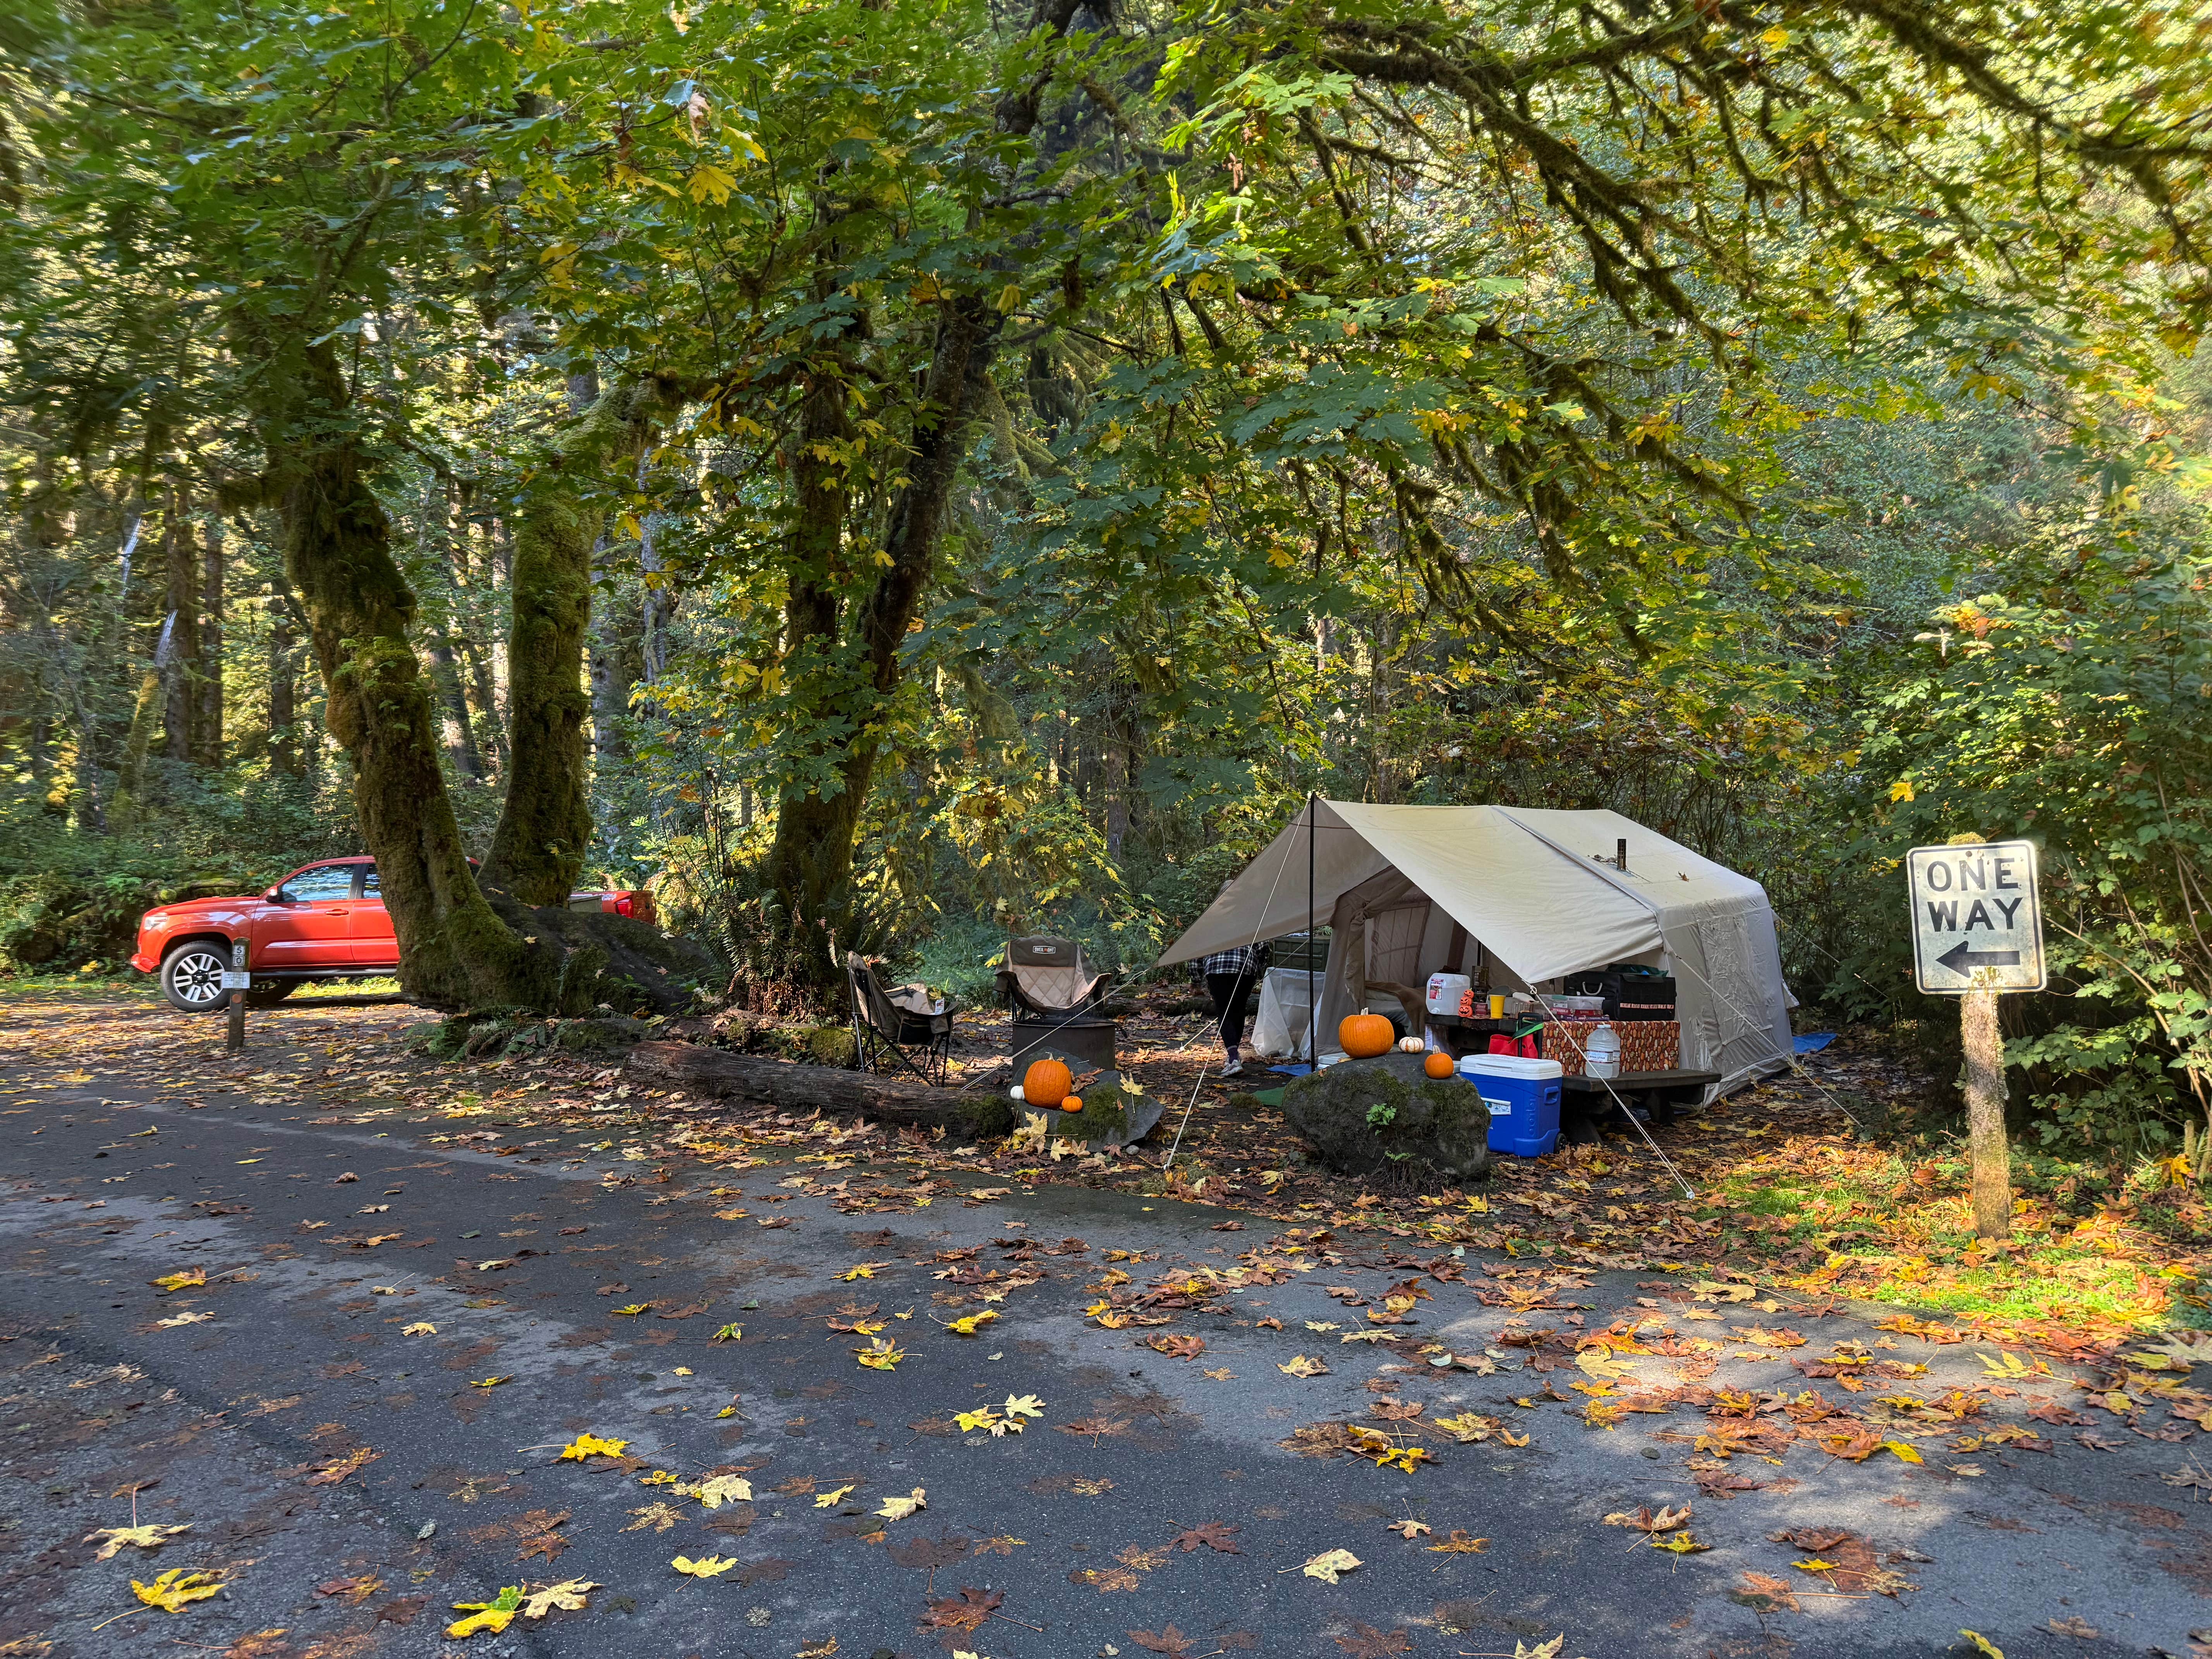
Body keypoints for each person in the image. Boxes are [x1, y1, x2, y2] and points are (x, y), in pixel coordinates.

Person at [1196, 941, 1266, 1077]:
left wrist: (1196, 979)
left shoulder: (1209, 922)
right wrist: (1259, 970)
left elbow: (1198, 951)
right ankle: (1233, 1057)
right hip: (1245, 965)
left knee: (1224, 1010)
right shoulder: (1250, 920)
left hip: (1216, 967)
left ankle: (1233, 1058)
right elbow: (1263, 946)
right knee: (1239, 1010)